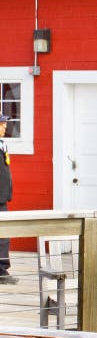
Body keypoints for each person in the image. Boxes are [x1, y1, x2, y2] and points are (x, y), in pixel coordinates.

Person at [0, 114, 17, 285]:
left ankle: (2, 269)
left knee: (3, 235)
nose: (5, 127)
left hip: (2, 198)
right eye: (1, 124)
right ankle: (1, 270)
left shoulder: (2, 145)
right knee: (2, 235)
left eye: (5, 123)